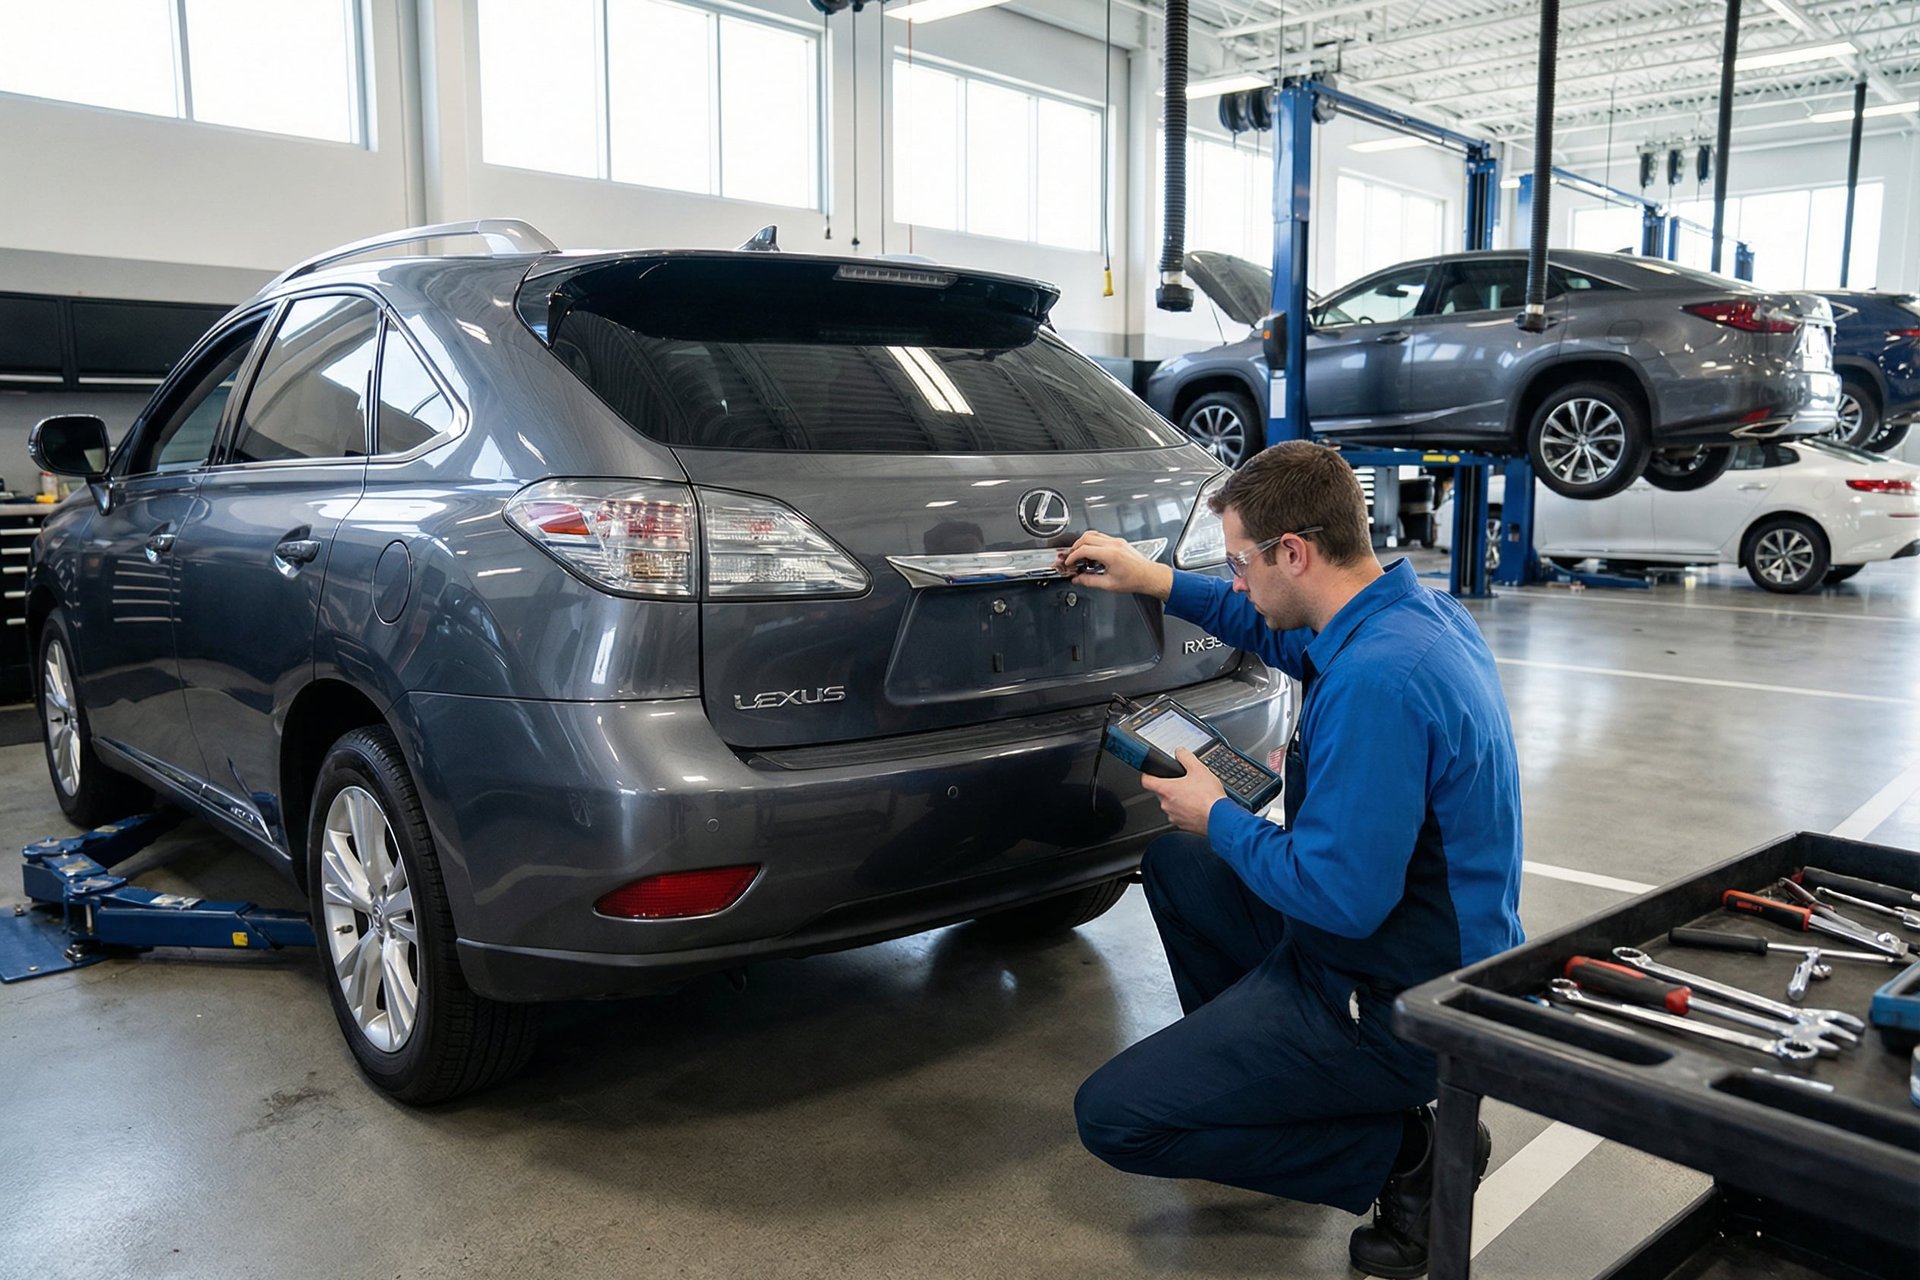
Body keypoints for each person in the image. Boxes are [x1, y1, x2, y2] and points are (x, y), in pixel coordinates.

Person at [1056, 440, 1524, 1278]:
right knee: (1180, 866)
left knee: (1117, 1118)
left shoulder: (1378, 686)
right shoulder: (1408, 617)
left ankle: (1404, 1156)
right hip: (1410, 953)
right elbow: (1266, 625)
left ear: (1295, 552)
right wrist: (1150, 577)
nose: (1236, 582)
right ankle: (1278, 1095)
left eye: (1240, 562)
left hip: (1399, 1004)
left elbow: (1341, 899)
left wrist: (1219, 815)